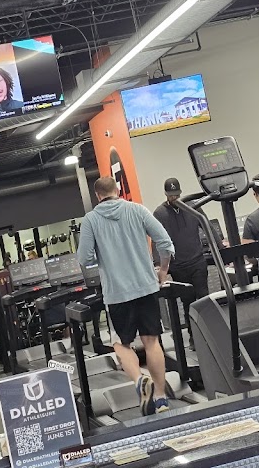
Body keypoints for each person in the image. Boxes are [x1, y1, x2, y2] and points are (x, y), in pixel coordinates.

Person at [77, 176, 175, 416]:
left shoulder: (91, 220)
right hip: (146, 288)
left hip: (117, 294)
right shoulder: (137, 210)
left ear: (97, 196)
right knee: (152, 342)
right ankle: (160, 398)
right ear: (118, 190)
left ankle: (140, 381)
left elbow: (84, 259)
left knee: (121, 345)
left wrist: (104, 254)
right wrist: (162, 271)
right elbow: (165, 242)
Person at [152, 178, 209, 348]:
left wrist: (221, 248)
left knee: (205, 299)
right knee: (188, 302)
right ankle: (194, 337)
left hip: (197, 261)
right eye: (171, 195)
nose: (174, 198)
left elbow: (207, 226)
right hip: (179, 266)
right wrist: (158, 264)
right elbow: (155, 240)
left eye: (176, 194)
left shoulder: (192, 206)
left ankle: (210, 334)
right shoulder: (160, 214)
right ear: (165, 194)